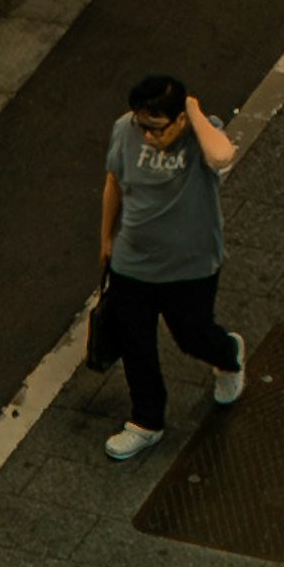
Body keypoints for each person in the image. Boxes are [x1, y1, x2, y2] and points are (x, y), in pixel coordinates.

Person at [94, 67, 245, 463]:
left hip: (189, 265)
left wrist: (193, 112)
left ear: (180, 117)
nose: (148, 135)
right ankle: (147, 421)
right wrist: (107, 238)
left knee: (193, 336)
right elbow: (114, 182)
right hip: (133, 262)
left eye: (158, 128)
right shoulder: (125, 129)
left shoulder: (201, 134)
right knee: (135, 343)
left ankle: (228, 355)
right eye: (143, 125)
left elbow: (222, 155)